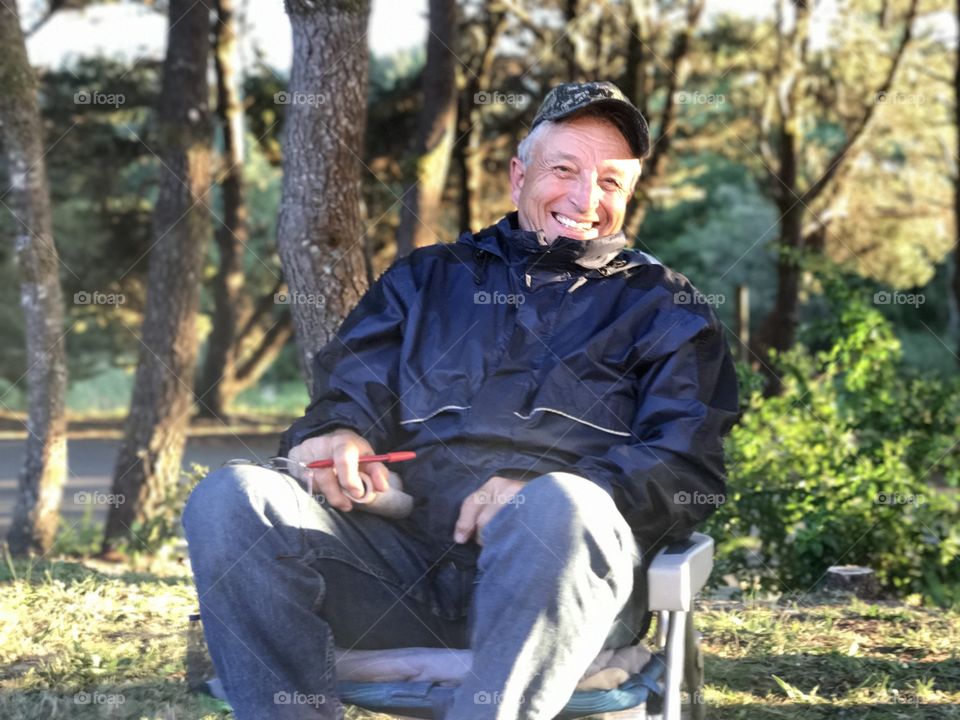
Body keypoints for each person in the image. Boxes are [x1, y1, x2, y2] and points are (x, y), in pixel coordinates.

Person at [183, 81, 739, 720]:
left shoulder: (667, 308)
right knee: (232, 497)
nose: (587, 197)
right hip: (399, 572)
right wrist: (338, 435)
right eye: (565, 169)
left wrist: (543, 488)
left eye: (611, 182)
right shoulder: (423, 280)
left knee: (561, 504)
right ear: (518, 174)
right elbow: (348, 392)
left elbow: (689, 469)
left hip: (561, 591)